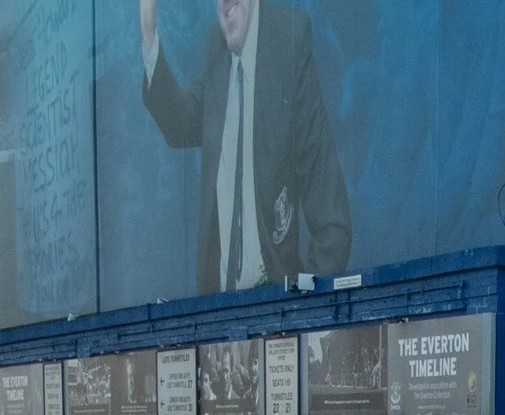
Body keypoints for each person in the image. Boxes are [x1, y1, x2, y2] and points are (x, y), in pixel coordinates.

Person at [138, 0, 351, 294]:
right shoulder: (216, 47)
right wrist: (148, 29)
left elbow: (324, 188)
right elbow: (181, 126)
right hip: (219, 309)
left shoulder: (287, 36)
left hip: (278, 308)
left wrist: (310, 306)